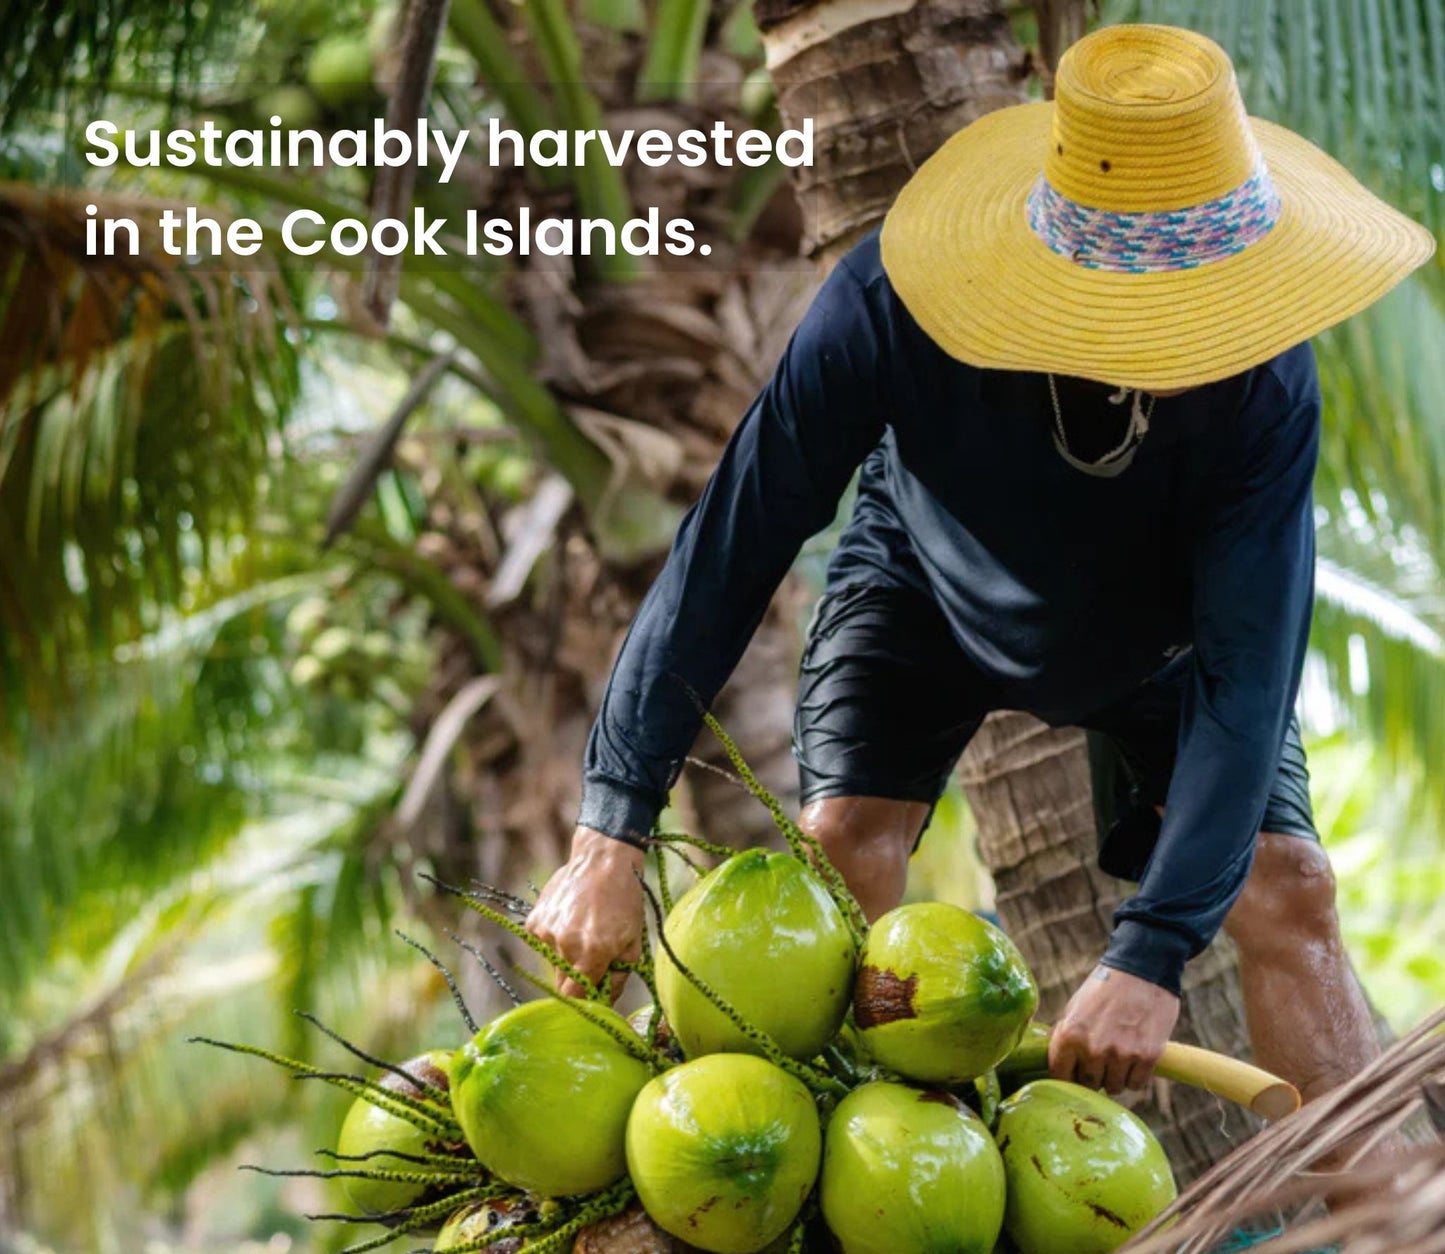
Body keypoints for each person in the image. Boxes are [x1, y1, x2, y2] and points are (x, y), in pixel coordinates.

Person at [525, 24, 1434, 1100]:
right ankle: (881, 1221)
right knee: (840, 849)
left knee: (1290, 888)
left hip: (1167, 630)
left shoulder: (1264, 378)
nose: (1202, 336)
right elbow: (732, 545)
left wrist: (1148, 952)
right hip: (922, 587)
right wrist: (609, 829)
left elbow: (1248, 673)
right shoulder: (887, 303)